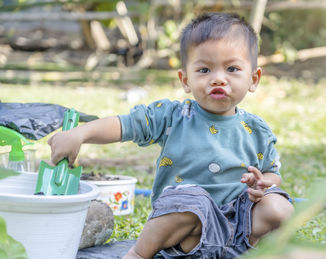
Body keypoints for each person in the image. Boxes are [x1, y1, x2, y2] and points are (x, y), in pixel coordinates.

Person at [48, 12, 294, 259]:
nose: (218, 78)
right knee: (191, 199)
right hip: (187, 235)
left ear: (253, 78)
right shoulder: (173, 116)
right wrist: (80, 133)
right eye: (204, 69)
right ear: (185, 80)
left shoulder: (257, 130)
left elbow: (272, 172)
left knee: (279, 207)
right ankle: (138, 254)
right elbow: (124, 125)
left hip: (237, 232)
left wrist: (264, 183)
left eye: (232, 68)